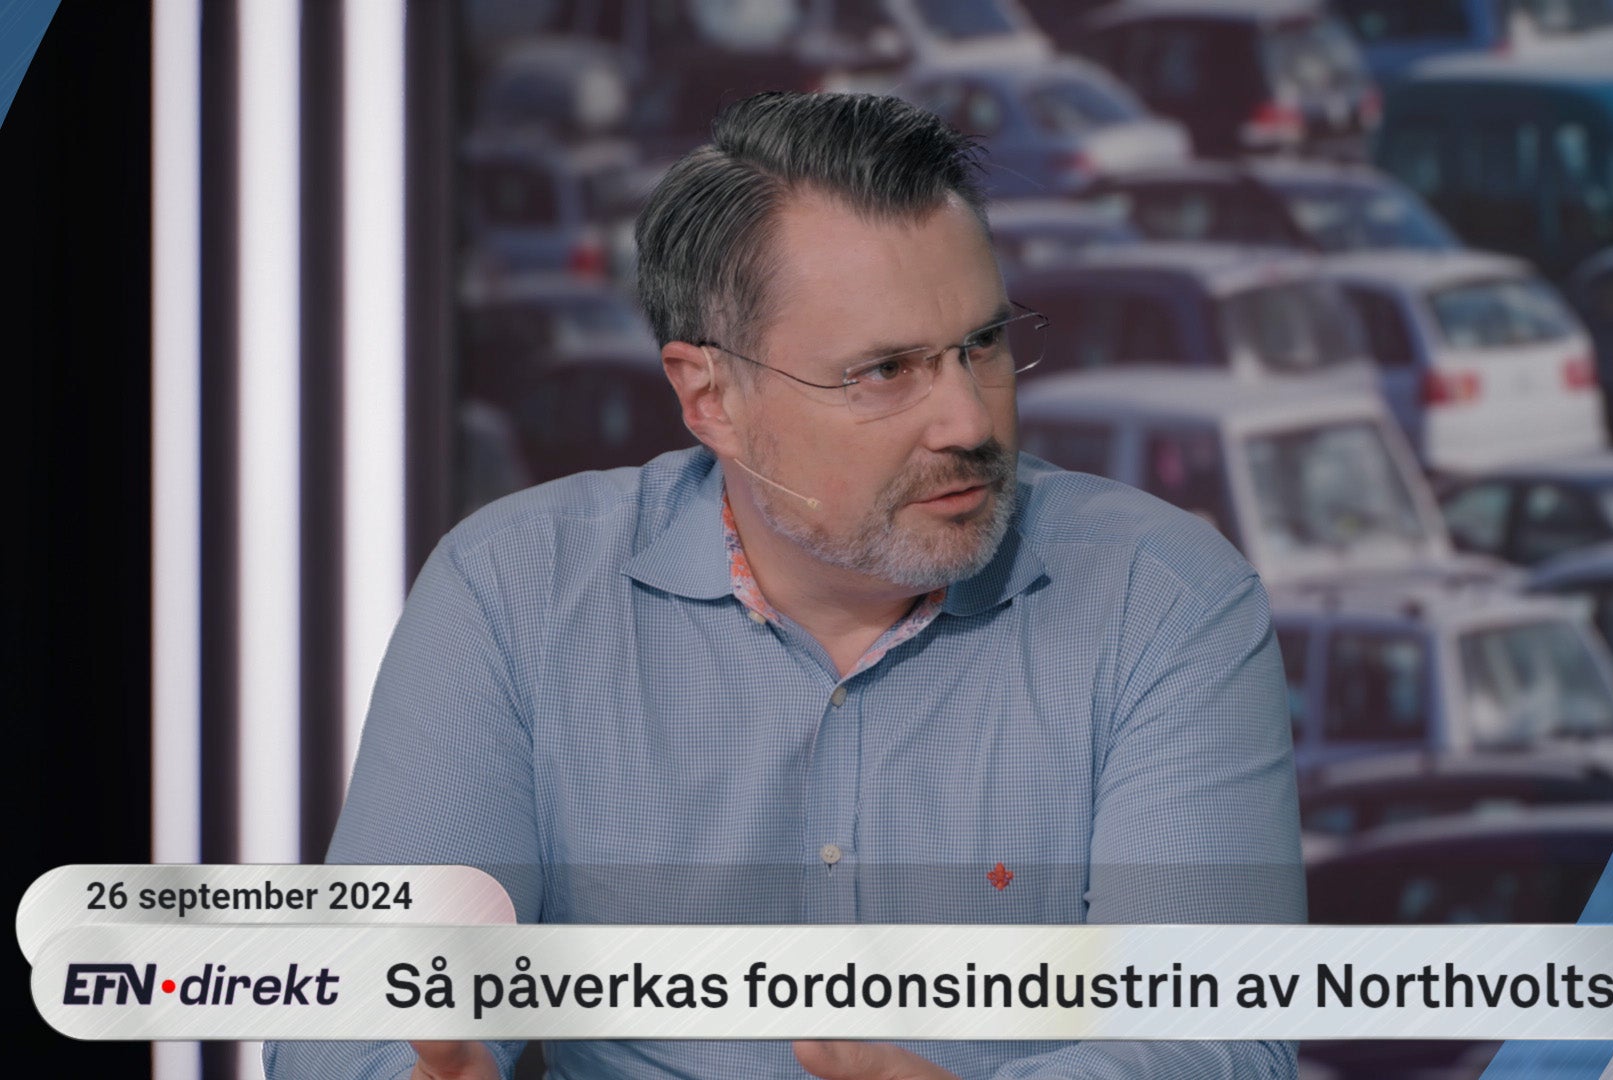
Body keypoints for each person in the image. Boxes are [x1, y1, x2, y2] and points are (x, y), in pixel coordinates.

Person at [265, 91, 1304, 1080]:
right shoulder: (513, 594)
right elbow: (353, 1015)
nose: (969, 421)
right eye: (885, 371)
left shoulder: (1165, 602)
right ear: (710, 396)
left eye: (982, 346)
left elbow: (1214, 1040)